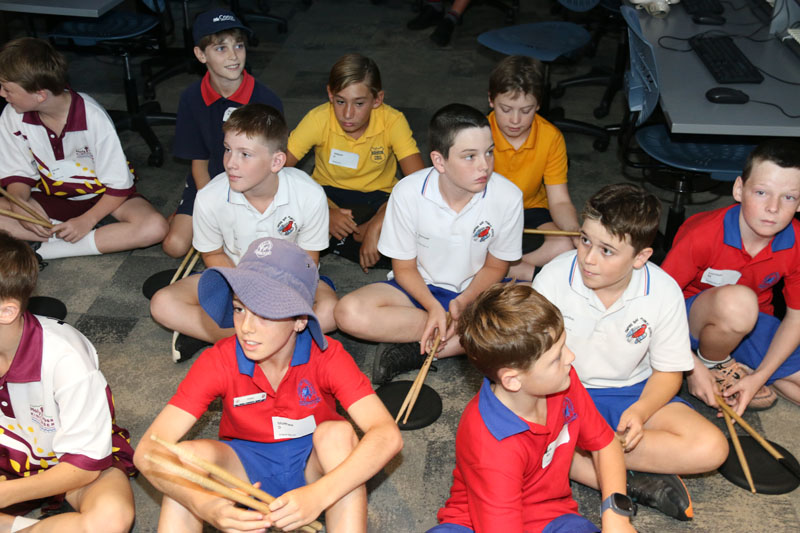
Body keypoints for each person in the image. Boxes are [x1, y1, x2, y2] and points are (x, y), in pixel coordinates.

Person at [135, 237, 403, 533]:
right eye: (239, 309)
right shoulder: (220, 360)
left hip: (313, 466)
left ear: (300, 321)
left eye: (264, 314)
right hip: (245, 466)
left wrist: (319, 494)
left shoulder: (327, 356)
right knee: (184, 461)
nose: (246, 327)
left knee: (338, 435)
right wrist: (204, 505)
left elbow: (387, 435)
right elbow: (147, 451)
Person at [532, 184, 728, 521]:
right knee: (515, 429)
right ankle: (619, 477)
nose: (588, 258)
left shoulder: (663, 291)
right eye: (585, 240)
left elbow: (669, 372)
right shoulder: (552, 278)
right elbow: (531, 363)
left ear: (640, 257)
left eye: (607, 251)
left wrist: (640, 410)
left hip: (630, 392)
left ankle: (582, 462)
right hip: (561, 390)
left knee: (712, 448)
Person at [335, 103, 523, 384]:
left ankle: (418, 349)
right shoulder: (407, 192)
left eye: (489, 152)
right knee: (347, 313)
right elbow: (404, 268)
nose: (484, 165)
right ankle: (459, 338)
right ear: (439, 161)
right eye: (469, 156)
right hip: (418, 291)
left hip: (476, 294)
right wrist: (434, 307)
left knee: (533, 318)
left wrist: (465, 301)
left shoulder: (508, 196)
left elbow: (496, 266)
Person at [429, 283, 635, 533]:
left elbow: (605, 445)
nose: (571, 357)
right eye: (556, 358)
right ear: (512, 379)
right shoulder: (489, 442)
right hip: (474, 523)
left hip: (551, 514)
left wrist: (616, 517)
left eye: (563, 346)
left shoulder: (562, 382)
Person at [150, 104, 336, 361]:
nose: (230, 163)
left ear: (276, 161)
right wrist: (246, 291)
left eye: (245, 154)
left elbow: (308, 262)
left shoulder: (309, 195)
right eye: (227, 149)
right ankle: (271, 341)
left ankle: (222, 336)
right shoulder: (209, 197)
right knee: (162, 304)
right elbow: (213, 254)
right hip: (234, 277)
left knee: (331, 312)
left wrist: (274, 296)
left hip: (290, 279)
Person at [0, 231, 136, 532]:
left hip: (70, 464)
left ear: (7, 311)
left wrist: (6, 494)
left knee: (111, 520)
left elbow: (82, 465)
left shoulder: (66, 358)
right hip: (8, 458)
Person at [661, 139, 800, 414]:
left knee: (746, 312)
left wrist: (760, 377)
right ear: (739, 189)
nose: (773, 207)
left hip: (752, 325)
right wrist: (691, 367)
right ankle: (715, 363)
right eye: (761, 192)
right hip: (684, 322)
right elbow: (651, 303)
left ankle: (748, 371)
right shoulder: (702, 235)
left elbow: (796, 318)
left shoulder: (796, 242)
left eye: (788, 197)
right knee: (739, 302)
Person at [0, 38, 168, 260]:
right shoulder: (12, 114)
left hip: (103, 197)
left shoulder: (93, 117)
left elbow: (118, 185)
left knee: (154, 227)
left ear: (40, 95)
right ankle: (78, 234)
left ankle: (46, 250)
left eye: (7, 89)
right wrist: (20, 204)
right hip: (48, 195)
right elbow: (18, 174)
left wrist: (86, 221)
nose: (2, 94)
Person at [286, 53, 424, 273]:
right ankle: (350, 236)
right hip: (326, 193)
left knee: (419, 229)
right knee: (285, 222)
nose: (348, 114)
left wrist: (377, 224)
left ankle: (347, 237)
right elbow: (277, 170)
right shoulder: (317, 119)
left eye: (359, 103)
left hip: (379, 196)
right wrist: (324, 212)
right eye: (340, 101)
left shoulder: (393, 121)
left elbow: (422, 183)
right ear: (330, 94)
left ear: (377, 100)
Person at [162, 8, 283, 258]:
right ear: (200, 54)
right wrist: (213, 206)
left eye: (238, 45)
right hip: (208, 182)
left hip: (253, 183)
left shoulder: (266, 99)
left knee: (250, 249)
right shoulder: (191, 98)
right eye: (220, 48)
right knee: (174, 246)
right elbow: (199, 162)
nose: (233, 56)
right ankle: (186, 215)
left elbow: (272, 165)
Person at [488, 56, 579, 281]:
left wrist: (575, 232)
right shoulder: (478, 134)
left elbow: (559, 201)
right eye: (506, 109)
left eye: (526, 110)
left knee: (565, 245)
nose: (515, 120)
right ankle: (527, 273)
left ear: (538, 105)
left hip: (530, 207)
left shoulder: (551, 137)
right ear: (491, 100)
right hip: (487, 209)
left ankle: (506, 270)